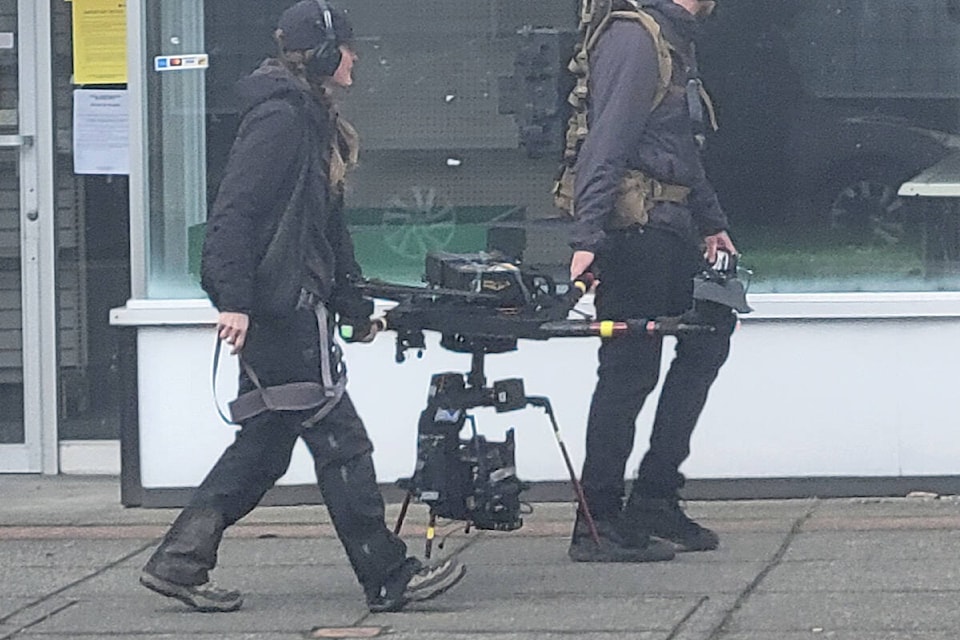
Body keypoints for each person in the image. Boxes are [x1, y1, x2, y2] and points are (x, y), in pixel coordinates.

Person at [139, 0, 465, 613]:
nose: (356, 57)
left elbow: (323, 231)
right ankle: (388, 576)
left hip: (288, 307)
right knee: (340, 439)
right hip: (279, 311)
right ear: (320, 54)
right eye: (346, 45)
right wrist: (233, 301)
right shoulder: (283, 120)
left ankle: (179, 561)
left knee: (264, 447)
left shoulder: (307, 116)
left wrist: (351, 305)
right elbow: (234, 215)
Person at [566, 0, 738, 562]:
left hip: (674, 228)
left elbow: (683, 149)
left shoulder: (673, 37)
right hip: (635, 233)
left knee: (709, 334)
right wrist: (588, 236)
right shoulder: (634, 39)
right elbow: (606, 140)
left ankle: (656, 496)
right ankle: (597, 519)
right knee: (629, 371)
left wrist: (712, 222)